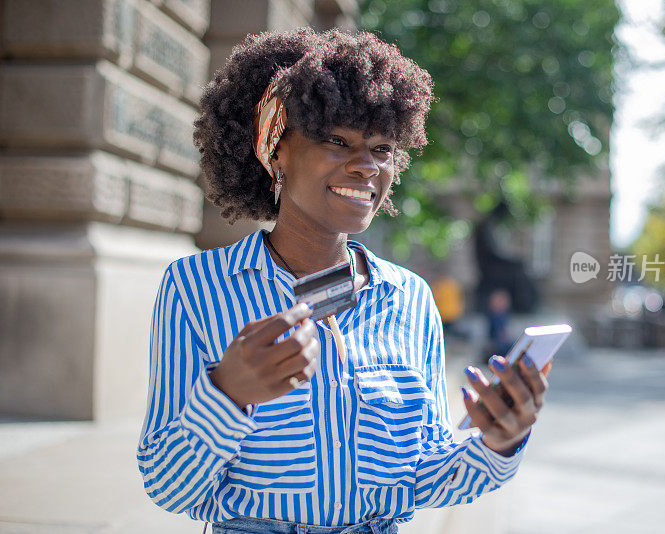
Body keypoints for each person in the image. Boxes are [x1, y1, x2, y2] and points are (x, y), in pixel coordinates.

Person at [137, 29, 549, 534]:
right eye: (337, 140)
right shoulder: (196, 287)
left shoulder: (411, 299)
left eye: (382, 148)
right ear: (276, 150)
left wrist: (498, 440)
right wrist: (226, 394)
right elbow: (167, 485)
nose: (366, 166)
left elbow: (425, 478)